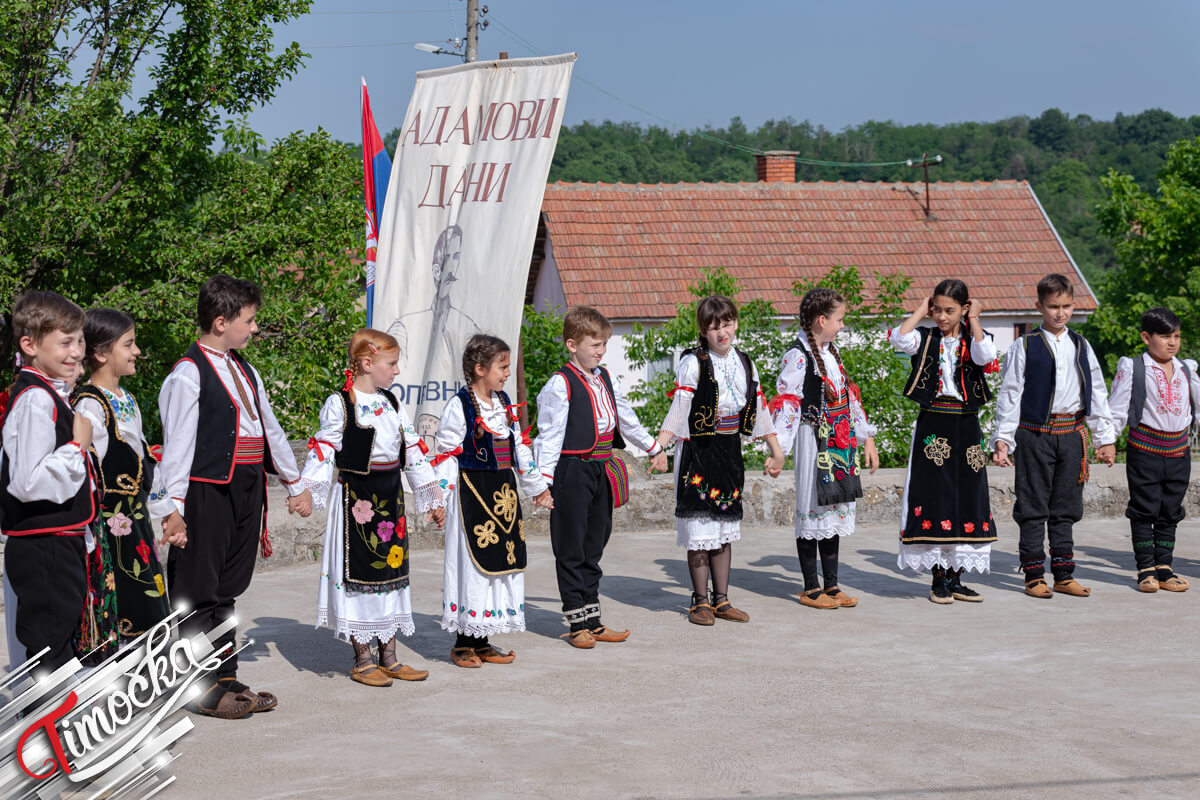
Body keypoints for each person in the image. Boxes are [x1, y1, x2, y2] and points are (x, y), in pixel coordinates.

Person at [157, 274, 313, 718]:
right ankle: (196, 686)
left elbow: (270, 432)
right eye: (249, 321)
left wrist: (294, 483)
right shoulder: (188, 374)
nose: (255, 329)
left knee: (226, 589)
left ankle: (223, 675)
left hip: (245, 487)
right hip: (206, 489)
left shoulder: (246, 369)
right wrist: (174, 509)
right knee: (196, 591)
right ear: (221, 322)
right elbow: (179, 447)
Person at [303, 328, 446, 686]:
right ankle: (362, 657)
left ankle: (390, 656)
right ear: (368, 363)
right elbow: (323, 448)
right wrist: (306, 490)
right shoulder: (342, 403)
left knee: (390, 574)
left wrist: (431, 495)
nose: (396, 372)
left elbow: (412, 450)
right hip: (356, 497)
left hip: (390, 495)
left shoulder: (392, 404)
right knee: (359, 577)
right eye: (391, 363)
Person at [533, 306, 668, 648]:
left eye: (604, 344)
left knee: (595, 543)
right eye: (594, 344)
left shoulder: (605, 377)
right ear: (571, 344)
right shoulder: (559, 384)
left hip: (601, 468)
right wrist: (543, 484)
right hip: (572, 470)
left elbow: (626, 416)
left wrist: (653, 447)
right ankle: (576, 620)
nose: (601, 351)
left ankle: (593, 619)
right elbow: (548, 436)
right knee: (571, 546)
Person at [655, 296, 783, 625]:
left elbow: (759, 407)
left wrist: (776, 449)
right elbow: (680, 407)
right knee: (700, 527)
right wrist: (660, 446)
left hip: (728, 450)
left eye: (726, 323)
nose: (721, 332)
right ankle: (699, 601)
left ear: (735, 323)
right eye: (713, 327)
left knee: (724, 526)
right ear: (703, 330)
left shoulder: (745, 362)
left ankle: (722, 600)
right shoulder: (693, 362)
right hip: (698, 450)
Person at [990, 274, 1117, 598]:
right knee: (1033, 506)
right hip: (1034, 435)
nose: (1060, 313)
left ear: (1073, 305)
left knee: (1066, 506)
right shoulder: (1025, 346)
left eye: (1066, 306)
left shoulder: (1081, 345)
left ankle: (1063, 573)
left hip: (1072, 434)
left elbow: (1097, 391)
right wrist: (1003, 439)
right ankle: (1034, 574)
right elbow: (1010, 393)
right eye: (1053, 307)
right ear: (1039, 307)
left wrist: (1105, 437)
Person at [434, 334, 553, 668]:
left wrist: (538, 489)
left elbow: (520, 452)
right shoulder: (460, 406)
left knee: (499, 566)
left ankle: (482, 639)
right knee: (474, 567)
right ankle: (463, 643)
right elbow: (446, 455)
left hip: (503, 496)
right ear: (479, 368)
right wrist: (438, 499)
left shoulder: (503, 405)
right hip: (473, 494)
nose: (506, 373)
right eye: (501, 367)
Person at [0, 292, 96, 672]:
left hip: (57, 540)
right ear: (30, 345)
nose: (76, 352)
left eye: (80, 340)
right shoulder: (36, 400)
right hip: (43, 545)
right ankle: (45, 726)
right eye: (65, 342)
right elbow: (28, 482)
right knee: (48, 646)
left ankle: (57, 722)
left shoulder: (50, 394)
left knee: (59, 639)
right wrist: (77, 446)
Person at [889, 280, 999, 603]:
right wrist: (921, 310)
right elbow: (899, 338)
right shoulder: (926, 338)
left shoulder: (973, 339)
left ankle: (956, 577)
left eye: (950, 310)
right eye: (937, 309)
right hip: (933, 421)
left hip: (966, 423)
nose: (942, 316)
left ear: (964, 309)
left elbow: (985, 355)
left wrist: (974, 319)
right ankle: (938, 577)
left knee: (968, 495)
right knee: (935, 495)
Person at [771, 288, 880, 610]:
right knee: (812, 506)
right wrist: (780, 451)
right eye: (840, 320)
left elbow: (849, 397)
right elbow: (788, 405)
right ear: (822, 320)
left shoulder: (831, 354)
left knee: (834, 507)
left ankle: (831, 585)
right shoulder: (799, 355)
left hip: (839, 441)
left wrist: (867, 437)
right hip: (812, 440)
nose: (842, 326)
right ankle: (809, 586)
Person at [73, 309, 171, 642]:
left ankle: (151, 672)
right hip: (111, 526)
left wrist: (167, 511)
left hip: (137, 521)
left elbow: (145, 461)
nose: (137, 351)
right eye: (128, 344)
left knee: (150, 592)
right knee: (125, 599)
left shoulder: (126, 399)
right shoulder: (88, 406)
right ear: (101, 353)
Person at [1108, 306, 1200, 593]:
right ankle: (1145, 568)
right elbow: (1118, 408)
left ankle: (1165, 567)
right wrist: (1109, 440)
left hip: (1178, 452)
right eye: (1165, 336)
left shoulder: (1187, 369)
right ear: (1147, 337)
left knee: (1170, 510)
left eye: (1177, 336)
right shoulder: (1134, 367)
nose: (1172, 342)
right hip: (1144, 450)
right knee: (1144, 508)